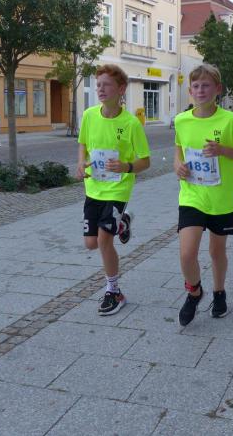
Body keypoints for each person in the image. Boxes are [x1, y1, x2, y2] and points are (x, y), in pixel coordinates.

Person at [173, 64, 233, 326]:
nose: (200, 90)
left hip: (222, 199)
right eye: (196, 86)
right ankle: (194, 292)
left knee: (216, 252)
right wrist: (178, 166)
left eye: (206, 85)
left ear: (218, 89)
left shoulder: (230, 121)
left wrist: (222, 150)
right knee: (187, 254)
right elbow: (178, 149)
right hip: (192, 196)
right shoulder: (182, 120)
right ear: (190, 90)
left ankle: (219, 293)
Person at [77, 65, 150, 316]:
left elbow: (145, 161)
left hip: (118, 189)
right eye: (98, 84)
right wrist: (80, 164)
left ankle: (114, 291)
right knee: (90, 243)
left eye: (106, 84)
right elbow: (83, 144)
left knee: (104, 241)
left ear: (121, 89)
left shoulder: (131, 124)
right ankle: (123, 223)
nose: (100, 89)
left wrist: (126, 166)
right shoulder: (89, 115)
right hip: (94, 188)